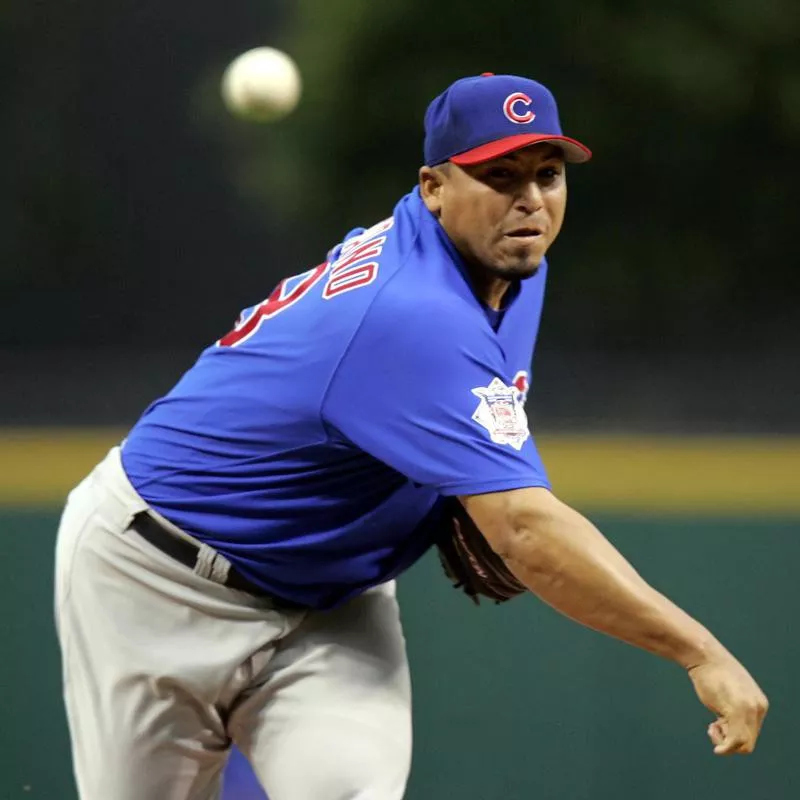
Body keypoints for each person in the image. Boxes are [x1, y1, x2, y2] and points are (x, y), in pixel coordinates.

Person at [54, 72, 768, 800]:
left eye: (548, 176)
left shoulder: (509, 257)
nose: (530, 201)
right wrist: (697, 651)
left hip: (330, 604)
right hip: (152, 577)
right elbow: (523, 529)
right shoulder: (410, 309)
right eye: (499, 175)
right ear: (433, 186)